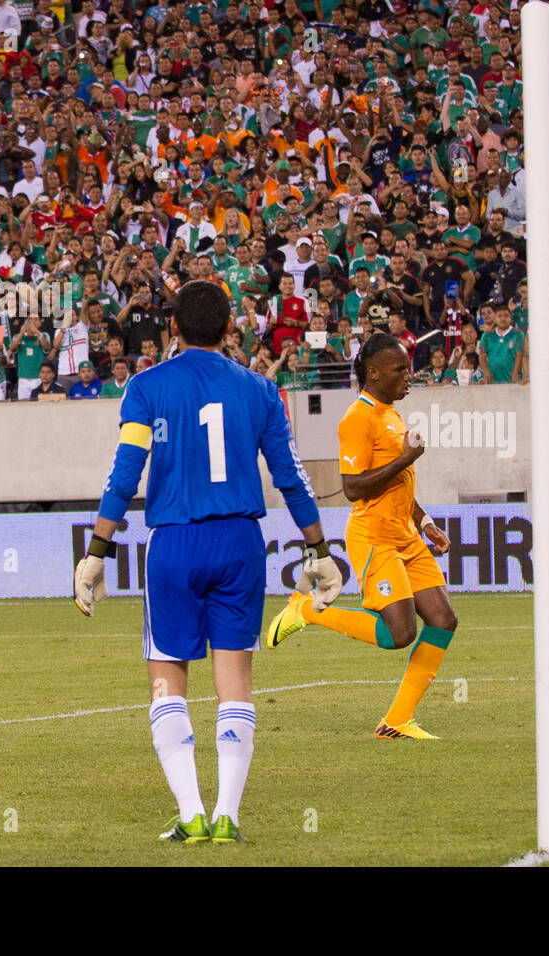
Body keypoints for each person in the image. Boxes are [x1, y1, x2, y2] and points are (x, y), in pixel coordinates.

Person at [72, 281, 340, 844]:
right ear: (229, 329)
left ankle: (191, 812)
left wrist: (97, 552)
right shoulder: (263, 390)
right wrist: (319, 549)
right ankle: (229, 817)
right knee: (234, 682)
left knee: (168, 681)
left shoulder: (145, 387)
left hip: (174, 544)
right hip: (241, 543)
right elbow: (291, 478)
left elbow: (125, 475)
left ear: (172, 328)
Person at [265, 332, 459, 741]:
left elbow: (400, 481)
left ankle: (397, 720)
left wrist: (424, 522)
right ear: (373, 373)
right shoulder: (358, 418)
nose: (409, 376)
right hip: (374, 535)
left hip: (406, 533)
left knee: (443, 618)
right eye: (399, 370)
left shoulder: (391, 413)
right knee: (399, 634)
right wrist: (406, 457)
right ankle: (308, 609)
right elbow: (353, 487)